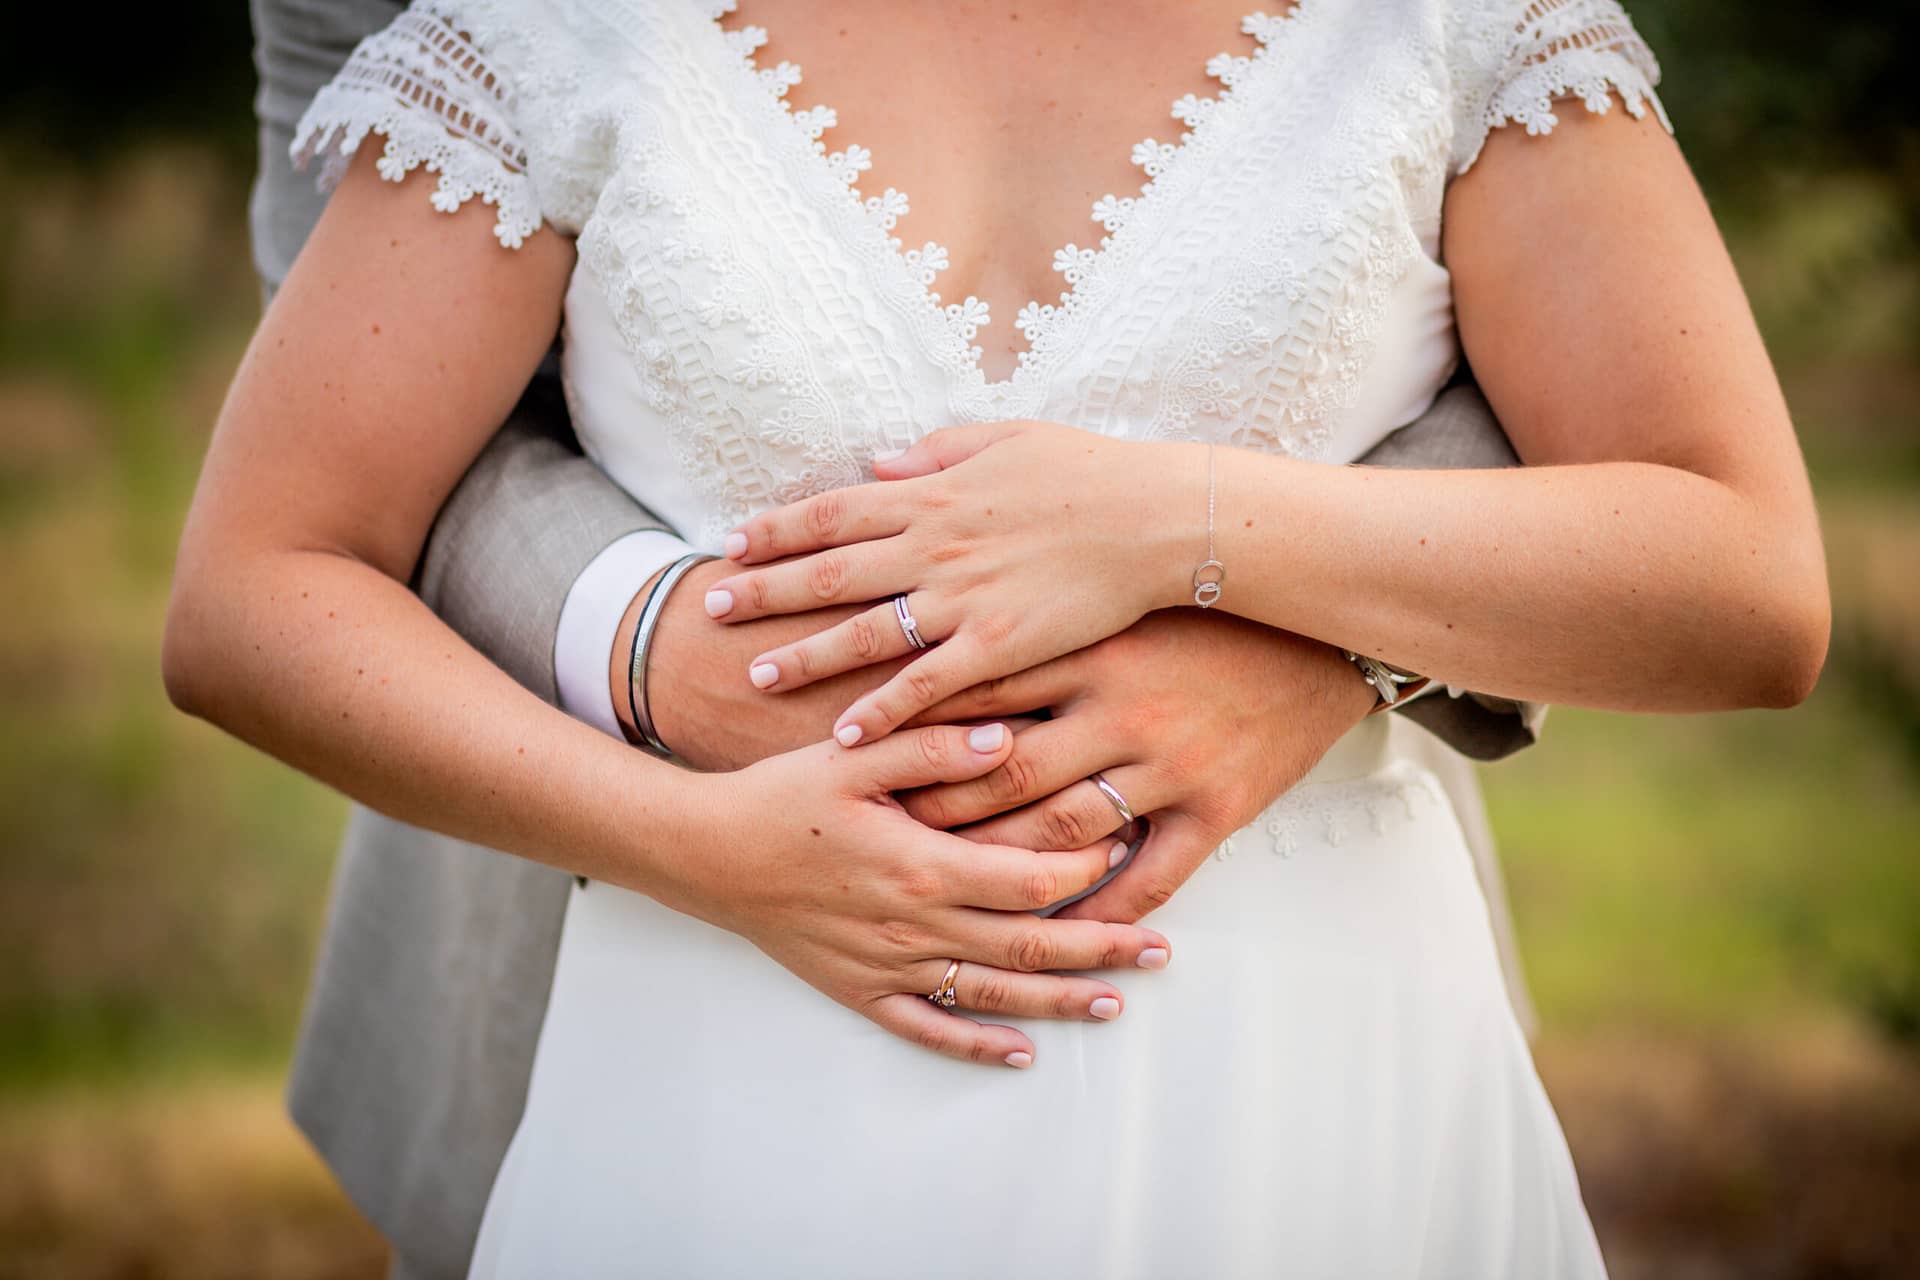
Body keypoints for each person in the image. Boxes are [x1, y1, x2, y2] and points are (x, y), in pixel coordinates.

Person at [168, 0, 1825, 1274]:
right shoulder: (555, 39)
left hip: (1308, 1079)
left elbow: (1742, 572)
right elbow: (260, 582)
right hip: (729, 1058)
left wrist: (1188, 524)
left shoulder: (1444, 29)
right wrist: (691, 837)